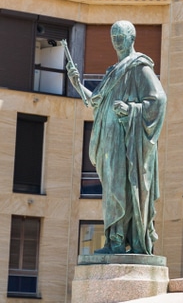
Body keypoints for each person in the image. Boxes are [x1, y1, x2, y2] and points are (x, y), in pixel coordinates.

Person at [64, 21, 166, 255]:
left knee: (122, 187)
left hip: (127, 140)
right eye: (113, 37)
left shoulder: (139, 67)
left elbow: (159, 100)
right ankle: (113, 240)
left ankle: (120, 239)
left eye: (121, 36)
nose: (116, 41)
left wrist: (131, 109)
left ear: (132, 38)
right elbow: (96, 102)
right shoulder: (113, 71)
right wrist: (78, 84)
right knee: (112, 190)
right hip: (109, 142)